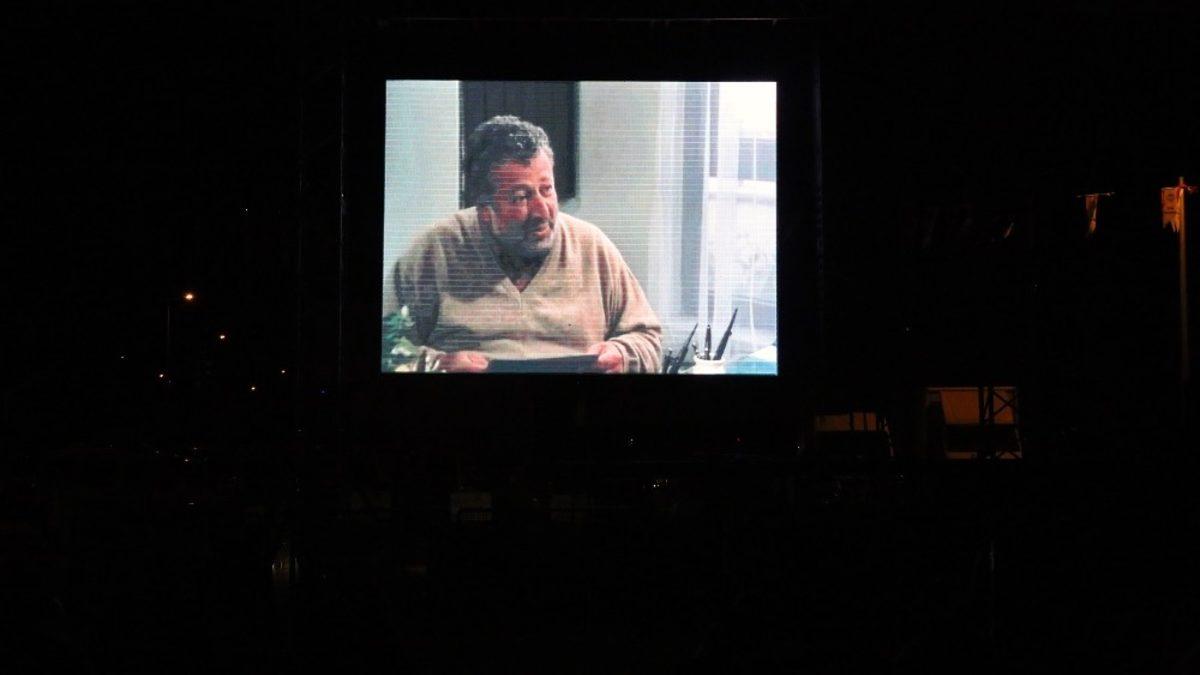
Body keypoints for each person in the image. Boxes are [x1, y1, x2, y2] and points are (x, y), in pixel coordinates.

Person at [389, 115, 662, 373]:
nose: (542, 211)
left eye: (547, 189)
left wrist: (621, 353)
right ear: (485, 210)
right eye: (521, 197)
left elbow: (648, 339)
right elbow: (386, 347)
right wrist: (436, 364)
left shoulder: (592, 247)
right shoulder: (434, 251)